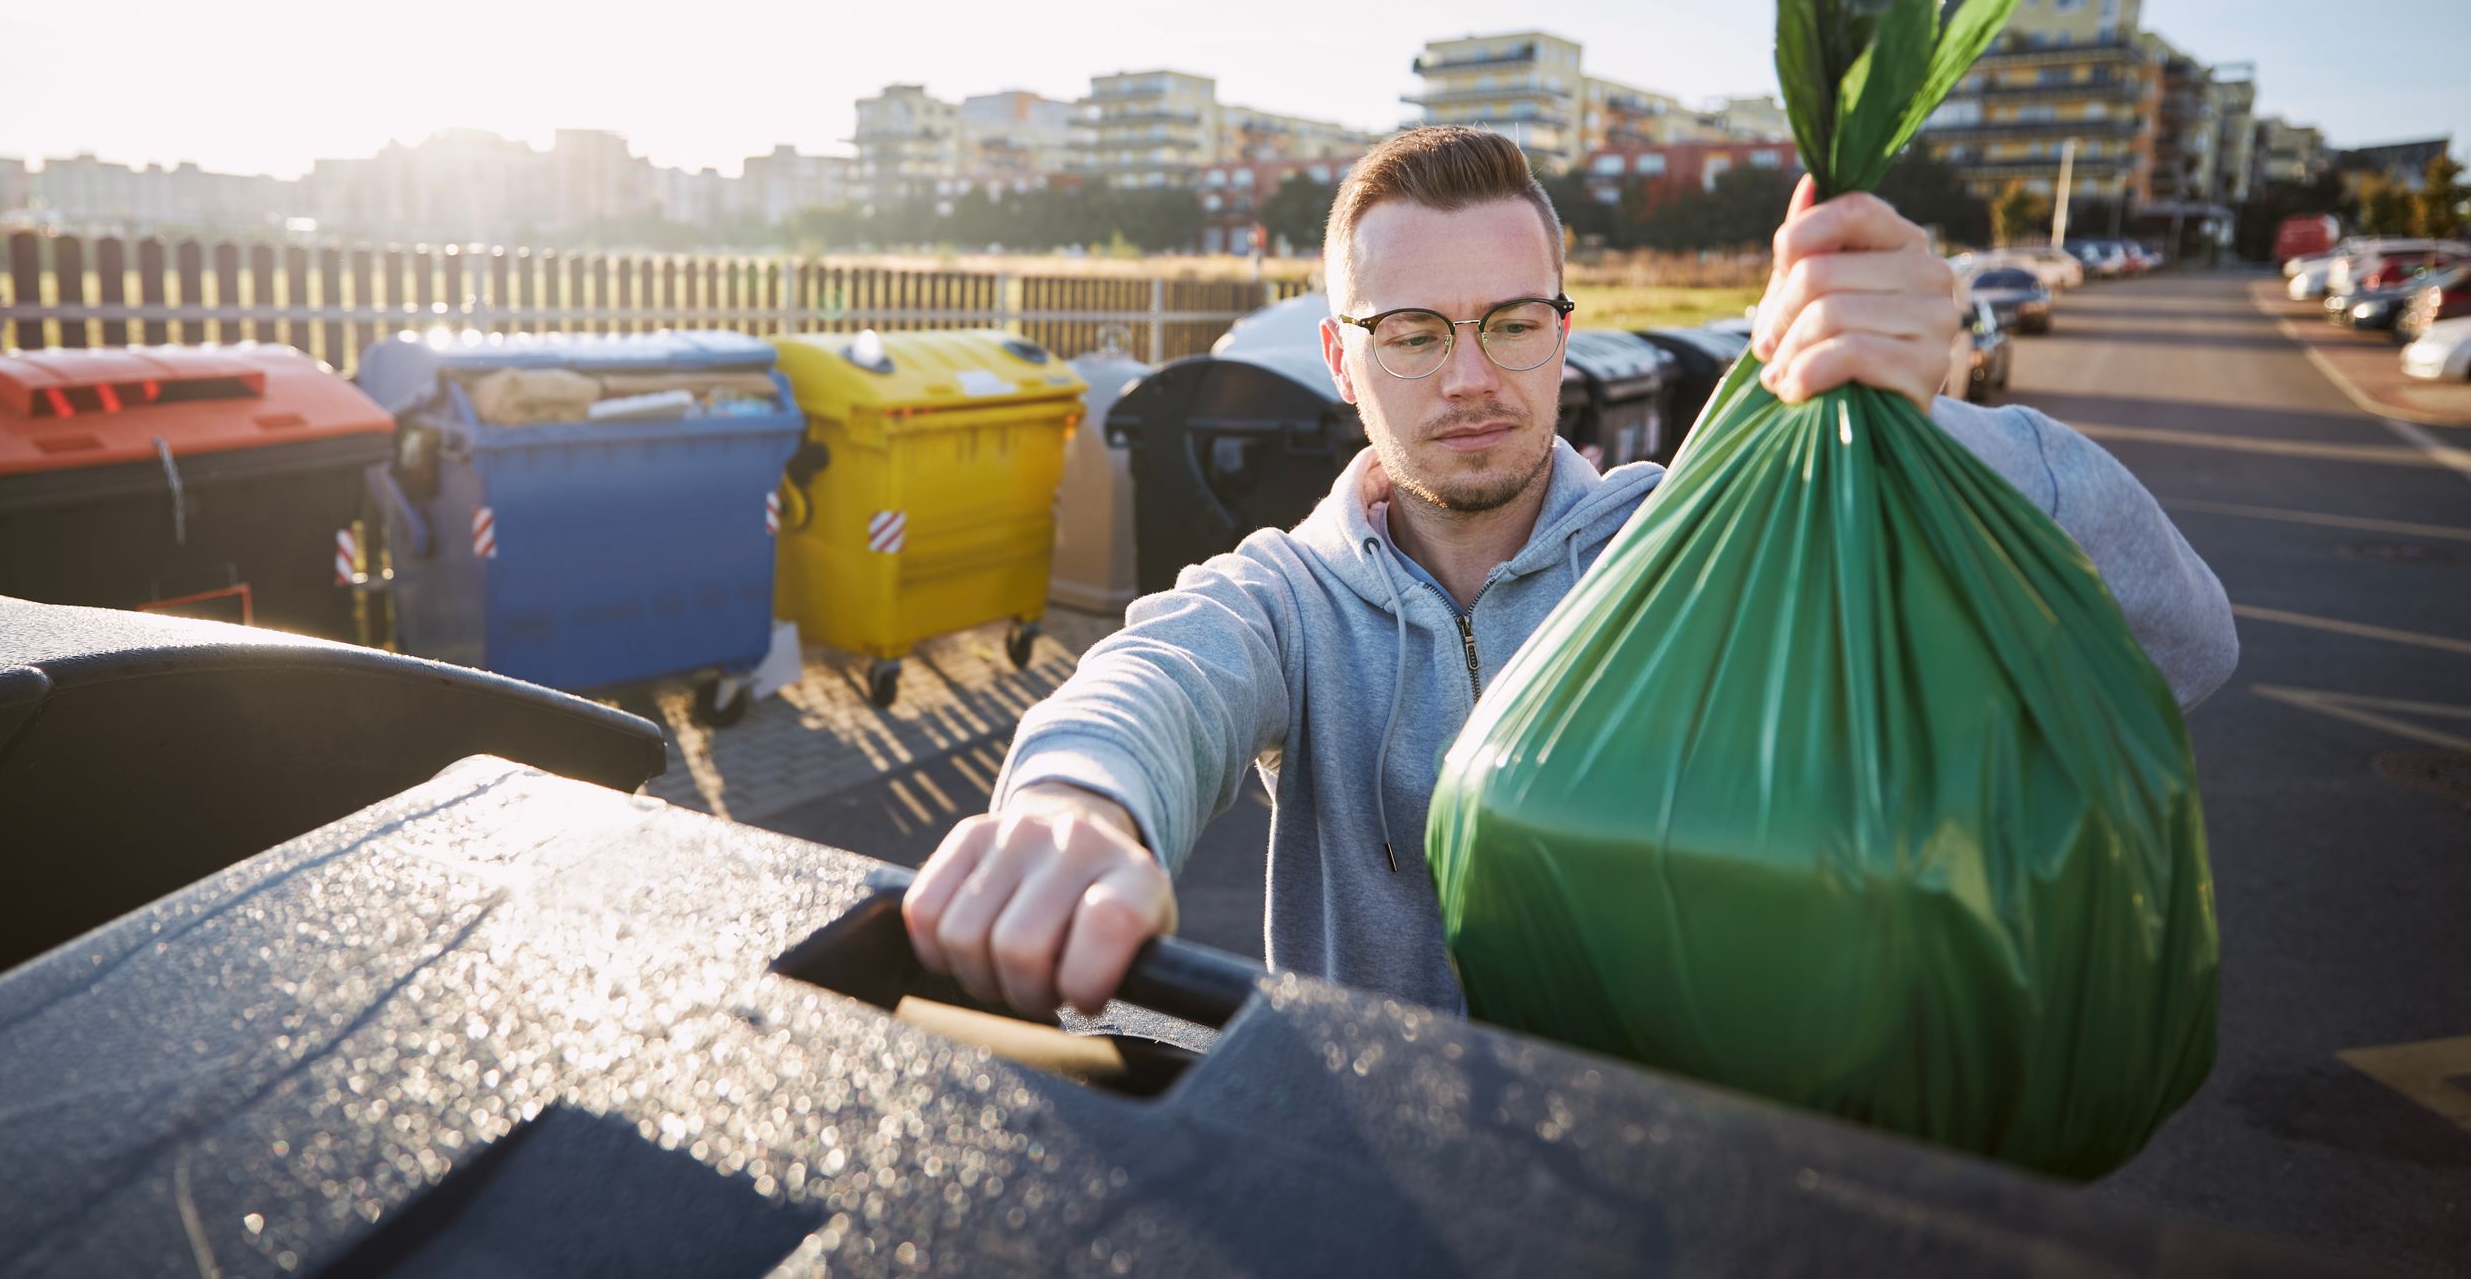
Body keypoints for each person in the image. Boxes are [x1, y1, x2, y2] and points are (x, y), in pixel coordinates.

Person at [905, 125, 2238, 1019]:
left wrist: (1904, 422)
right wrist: (1075, 808)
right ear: (1338, 357)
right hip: (1378, 1188)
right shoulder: (1287, 599)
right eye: (1414, 330)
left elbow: (2178, 645)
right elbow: (1158, 674)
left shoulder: (1692, 548)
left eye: (1513, 323)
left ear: (1563, 329)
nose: (1473, 376)